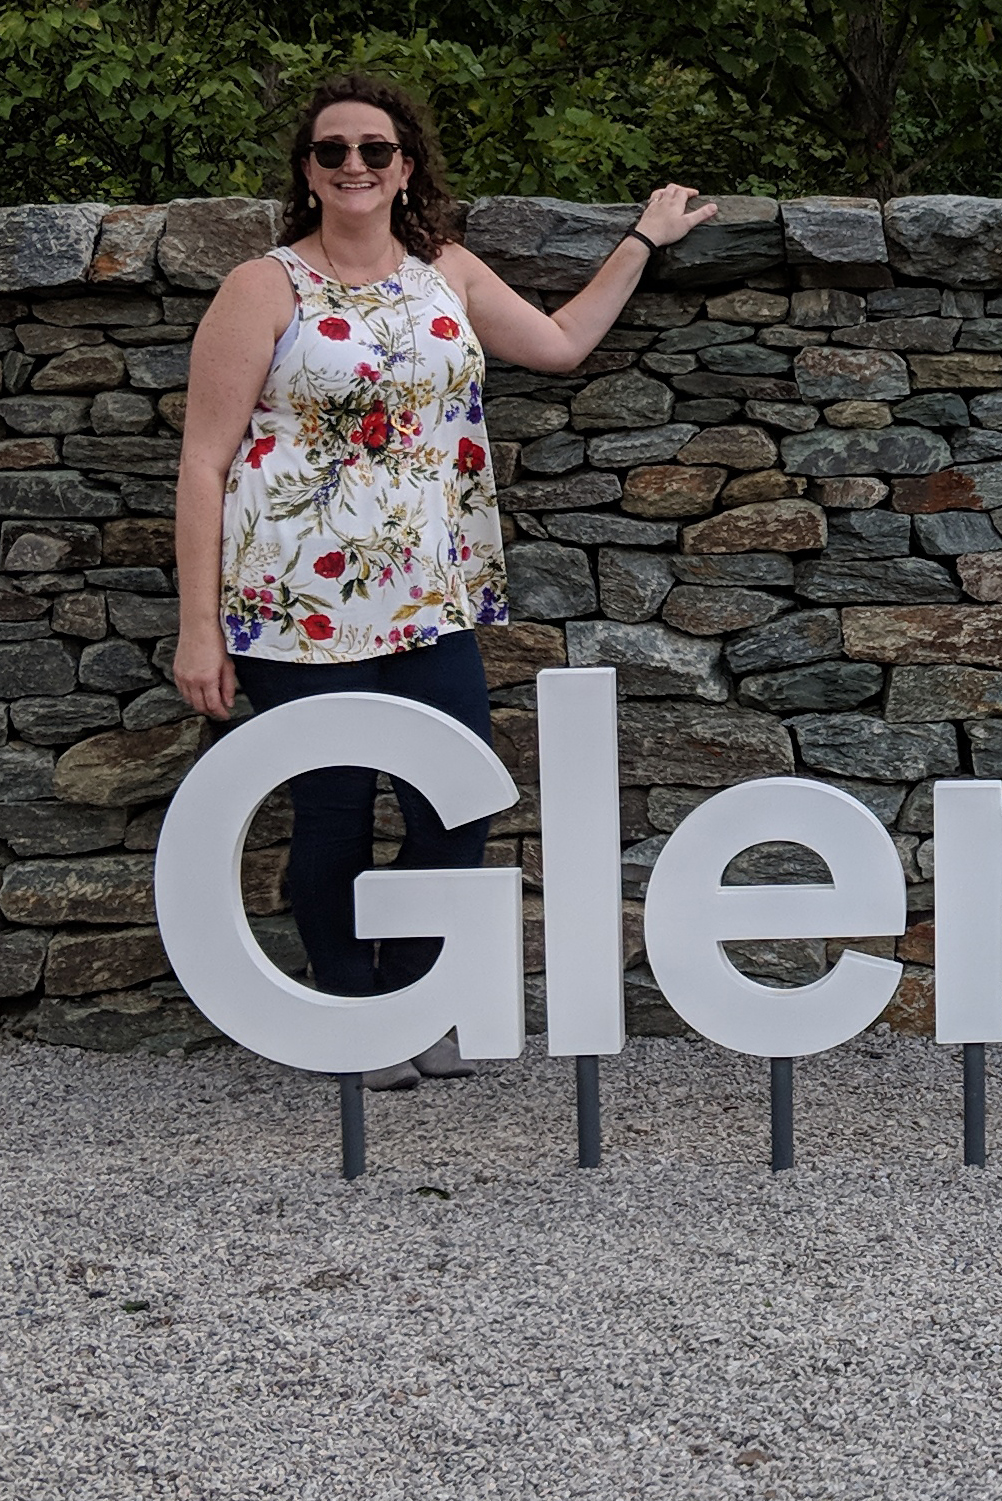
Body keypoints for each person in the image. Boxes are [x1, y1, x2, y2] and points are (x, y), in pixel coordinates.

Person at [172, 71, 716, 1087]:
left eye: (373, 150)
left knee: (454, 804)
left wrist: (641, 240)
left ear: (405, 165)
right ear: (308, 171)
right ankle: (349, 1016)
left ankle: (414, 998)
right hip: (297, 601)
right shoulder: (264, 286)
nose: (353, 167)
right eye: (332, 151)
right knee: (333, 809)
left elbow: (558, 344)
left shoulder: (446, 273)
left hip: (431, 598)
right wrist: (197, 629)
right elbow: (203, 459)